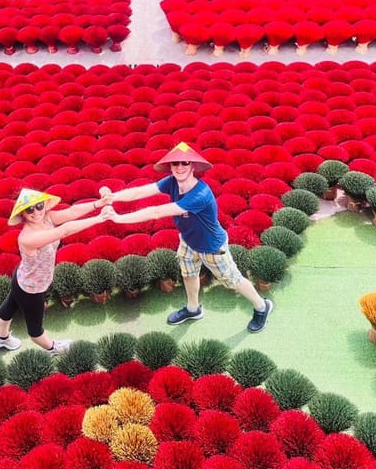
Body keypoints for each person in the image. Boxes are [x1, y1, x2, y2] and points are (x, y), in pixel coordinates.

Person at [101, 142, 273, 333]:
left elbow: (157, 211)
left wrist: (118, 218)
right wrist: (113, 197)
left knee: (232, 279)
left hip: (211, 246)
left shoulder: (200, 194)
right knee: (188, 274)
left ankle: (262, 306)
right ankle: (193, 309)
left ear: (192, 166)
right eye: (175, 164)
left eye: (184, 163)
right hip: (188, 240)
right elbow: (141, 191)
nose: (180, 168)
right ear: (171, 167)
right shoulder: (171, 182)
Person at [0, 188, 115, 354]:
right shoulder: (27, 237)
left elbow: (71, 212)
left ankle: (2, 338)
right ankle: (52, 348)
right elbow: (63, 231)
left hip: (21, 276)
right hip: (30, 288)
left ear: (44, 205)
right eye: (29, 209)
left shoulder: (47, 217)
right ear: (22, 214)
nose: (36, 212)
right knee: (35, 330)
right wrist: (99, 218)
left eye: (39, 206)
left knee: (9, 307)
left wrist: (97, 204)